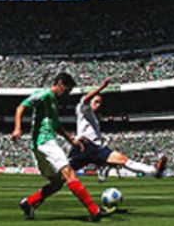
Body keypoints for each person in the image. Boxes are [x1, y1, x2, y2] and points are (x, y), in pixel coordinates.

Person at [12, 72, 106, 222]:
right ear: (60, 83)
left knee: (57, 183)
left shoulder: (54, 102)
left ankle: (28, 203)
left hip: (39, 146)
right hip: (46, 141)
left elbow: (57, 126)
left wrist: (72, 141)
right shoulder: (44, 94)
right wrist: (17, 128)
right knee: (69, 173)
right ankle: (94, 211)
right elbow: (21, 107)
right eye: (67, 90)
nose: (67, 94)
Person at [68, 77, 166, 182]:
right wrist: (102, 86)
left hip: (97, 149)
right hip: (83, 147)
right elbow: (86, 99)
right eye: (96, 102)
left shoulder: (94, 117)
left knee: (124, 160)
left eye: (100, 103)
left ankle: (154, 171)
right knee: (63, 175)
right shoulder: (83, 108)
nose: (98, 105)